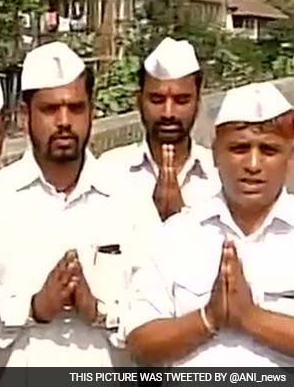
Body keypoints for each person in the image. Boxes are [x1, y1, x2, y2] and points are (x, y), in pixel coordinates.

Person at [0, 41, 132, 375]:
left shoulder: (128, 199)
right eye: (50, 109)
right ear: (25, 116)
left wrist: (99, 311)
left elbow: (155, 313)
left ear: (92, 111)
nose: (64, 121)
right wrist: (32, 308)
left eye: (75, 108)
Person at [125, 82, 294, 367]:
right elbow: (140, 343)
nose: (253, 164)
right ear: (215, 153)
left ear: (290, 155)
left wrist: (251, 318)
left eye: (268, 150)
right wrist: (208, 318)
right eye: (239, 148)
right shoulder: (176, 234)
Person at [98, 37, 220, 227]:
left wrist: (181, 219)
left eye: (181, 100)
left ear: (197, 103)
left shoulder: (219, 175)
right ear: (139, 102)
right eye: (157, 100)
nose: (168, 113)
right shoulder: (108, 172)